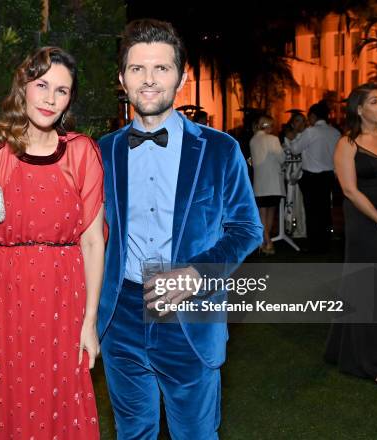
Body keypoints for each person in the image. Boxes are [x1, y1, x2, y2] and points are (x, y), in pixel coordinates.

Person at [97, 19, 262, 439]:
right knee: (133, 433)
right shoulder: (103, 152)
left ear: (182, 77)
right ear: (122, 78)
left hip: (190, 315)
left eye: (162, 68)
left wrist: (196, 273)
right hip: (122, 315)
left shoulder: (220, 148)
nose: (149, 80)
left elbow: (246, 229)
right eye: (137, 69)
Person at [0, 47, 105, 439]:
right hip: (3, 302)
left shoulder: (83, 152)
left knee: (63, 402)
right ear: (23, 87)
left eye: (62, 91)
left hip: (65, 304)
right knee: (8, 404)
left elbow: (92, 244)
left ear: (70, 100)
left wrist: (90, 323)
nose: (51, 98)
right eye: (42, 85)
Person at [324, 83, 377, 386]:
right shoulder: (347, 143)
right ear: (359, 108)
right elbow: (350, 191)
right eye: (375, 101)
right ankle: (373, 362)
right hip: (366, 222)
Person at [288, 102, 341, 253]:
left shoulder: (311, 132)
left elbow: (295, 149)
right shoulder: (335, 132)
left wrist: (293, 138)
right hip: (328, 176)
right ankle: (326, 242)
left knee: (312, 212)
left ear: (313, 116)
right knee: (325, 210)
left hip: (312, 177)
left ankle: (314, 244)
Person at [250, 115, 286, 254]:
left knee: (262, 213)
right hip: (274, 182)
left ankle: (266, 241)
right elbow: (282, 158)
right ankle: (268, 242)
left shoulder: (253, 140)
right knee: (270, 212)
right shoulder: (273, 139)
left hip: (260, 183)